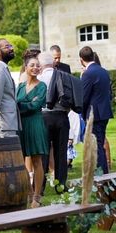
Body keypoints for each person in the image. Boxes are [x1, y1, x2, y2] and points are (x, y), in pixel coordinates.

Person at [17, 55, 48, 208]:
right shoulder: (20, 87)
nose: (35, 68)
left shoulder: (42, 86)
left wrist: (22, 105)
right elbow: (14, 104)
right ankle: (29, 193)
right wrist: (25, 104)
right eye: (32, 65)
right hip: (22, 126)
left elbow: (35, 106)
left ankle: (37, 196)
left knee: (37, 161)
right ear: (26, 67)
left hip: (35, 124)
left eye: (38, 65)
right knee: (22, 160)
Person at [38, 52, 71, 193]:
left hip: (44, 117)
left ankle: (41, 186)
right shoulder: (64, 77)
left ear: (41, 65)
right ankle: (61, 185)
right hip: (62, 116)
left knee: (44, 152)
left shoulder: (39, 79)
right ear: (53, 63)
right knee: (61, 152)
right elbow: (71, 98)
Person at [80, 46, 113, 174]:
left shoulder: (88, 74)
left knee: (96, 145)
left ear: (81, 60)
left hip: (94, 114)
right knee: (100, 142)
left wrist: (83, 114)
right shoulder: (104, 71)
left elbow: (84, 97)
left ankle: (102, 173)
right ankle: (103, 171)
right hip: (105, 112)